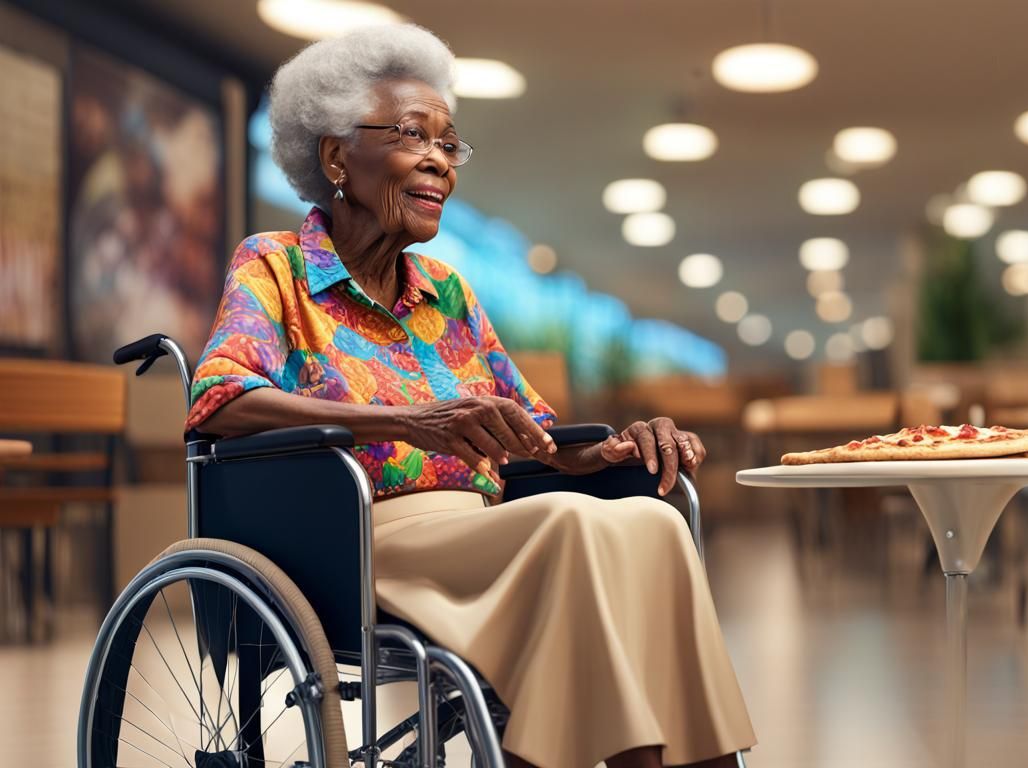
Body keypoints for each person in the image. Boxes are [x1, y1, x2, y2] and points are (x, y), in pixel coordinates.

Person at [184, 23, 755, 768]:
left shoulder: (447, 293)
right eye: (412, 135)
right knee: (568, 527)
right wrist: (406, 421)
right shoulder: (276, 267)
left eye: (449, 145)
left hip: (481, 530)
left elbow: (536, 430)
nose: (438, 162)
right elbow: (220, 397)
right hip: (356, 540)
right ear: (335, 157)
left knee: (653, 523)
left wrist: (606, 448)